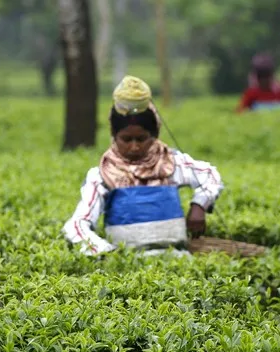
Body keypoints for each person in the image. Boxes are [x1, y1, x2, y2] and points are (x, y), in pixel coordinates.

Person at [63, 76, 224, 256]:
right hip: (128, 266)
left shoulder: (171, 163)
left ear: (154, 135)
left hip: (178, 259)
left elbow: (210, 175)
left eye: (141, 139)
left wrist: (199, 206)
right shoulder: (102, 175)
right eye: (126, 139)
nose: (134, 147)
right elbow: (76, 224)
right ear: (114, 136)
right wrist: (102, 251)